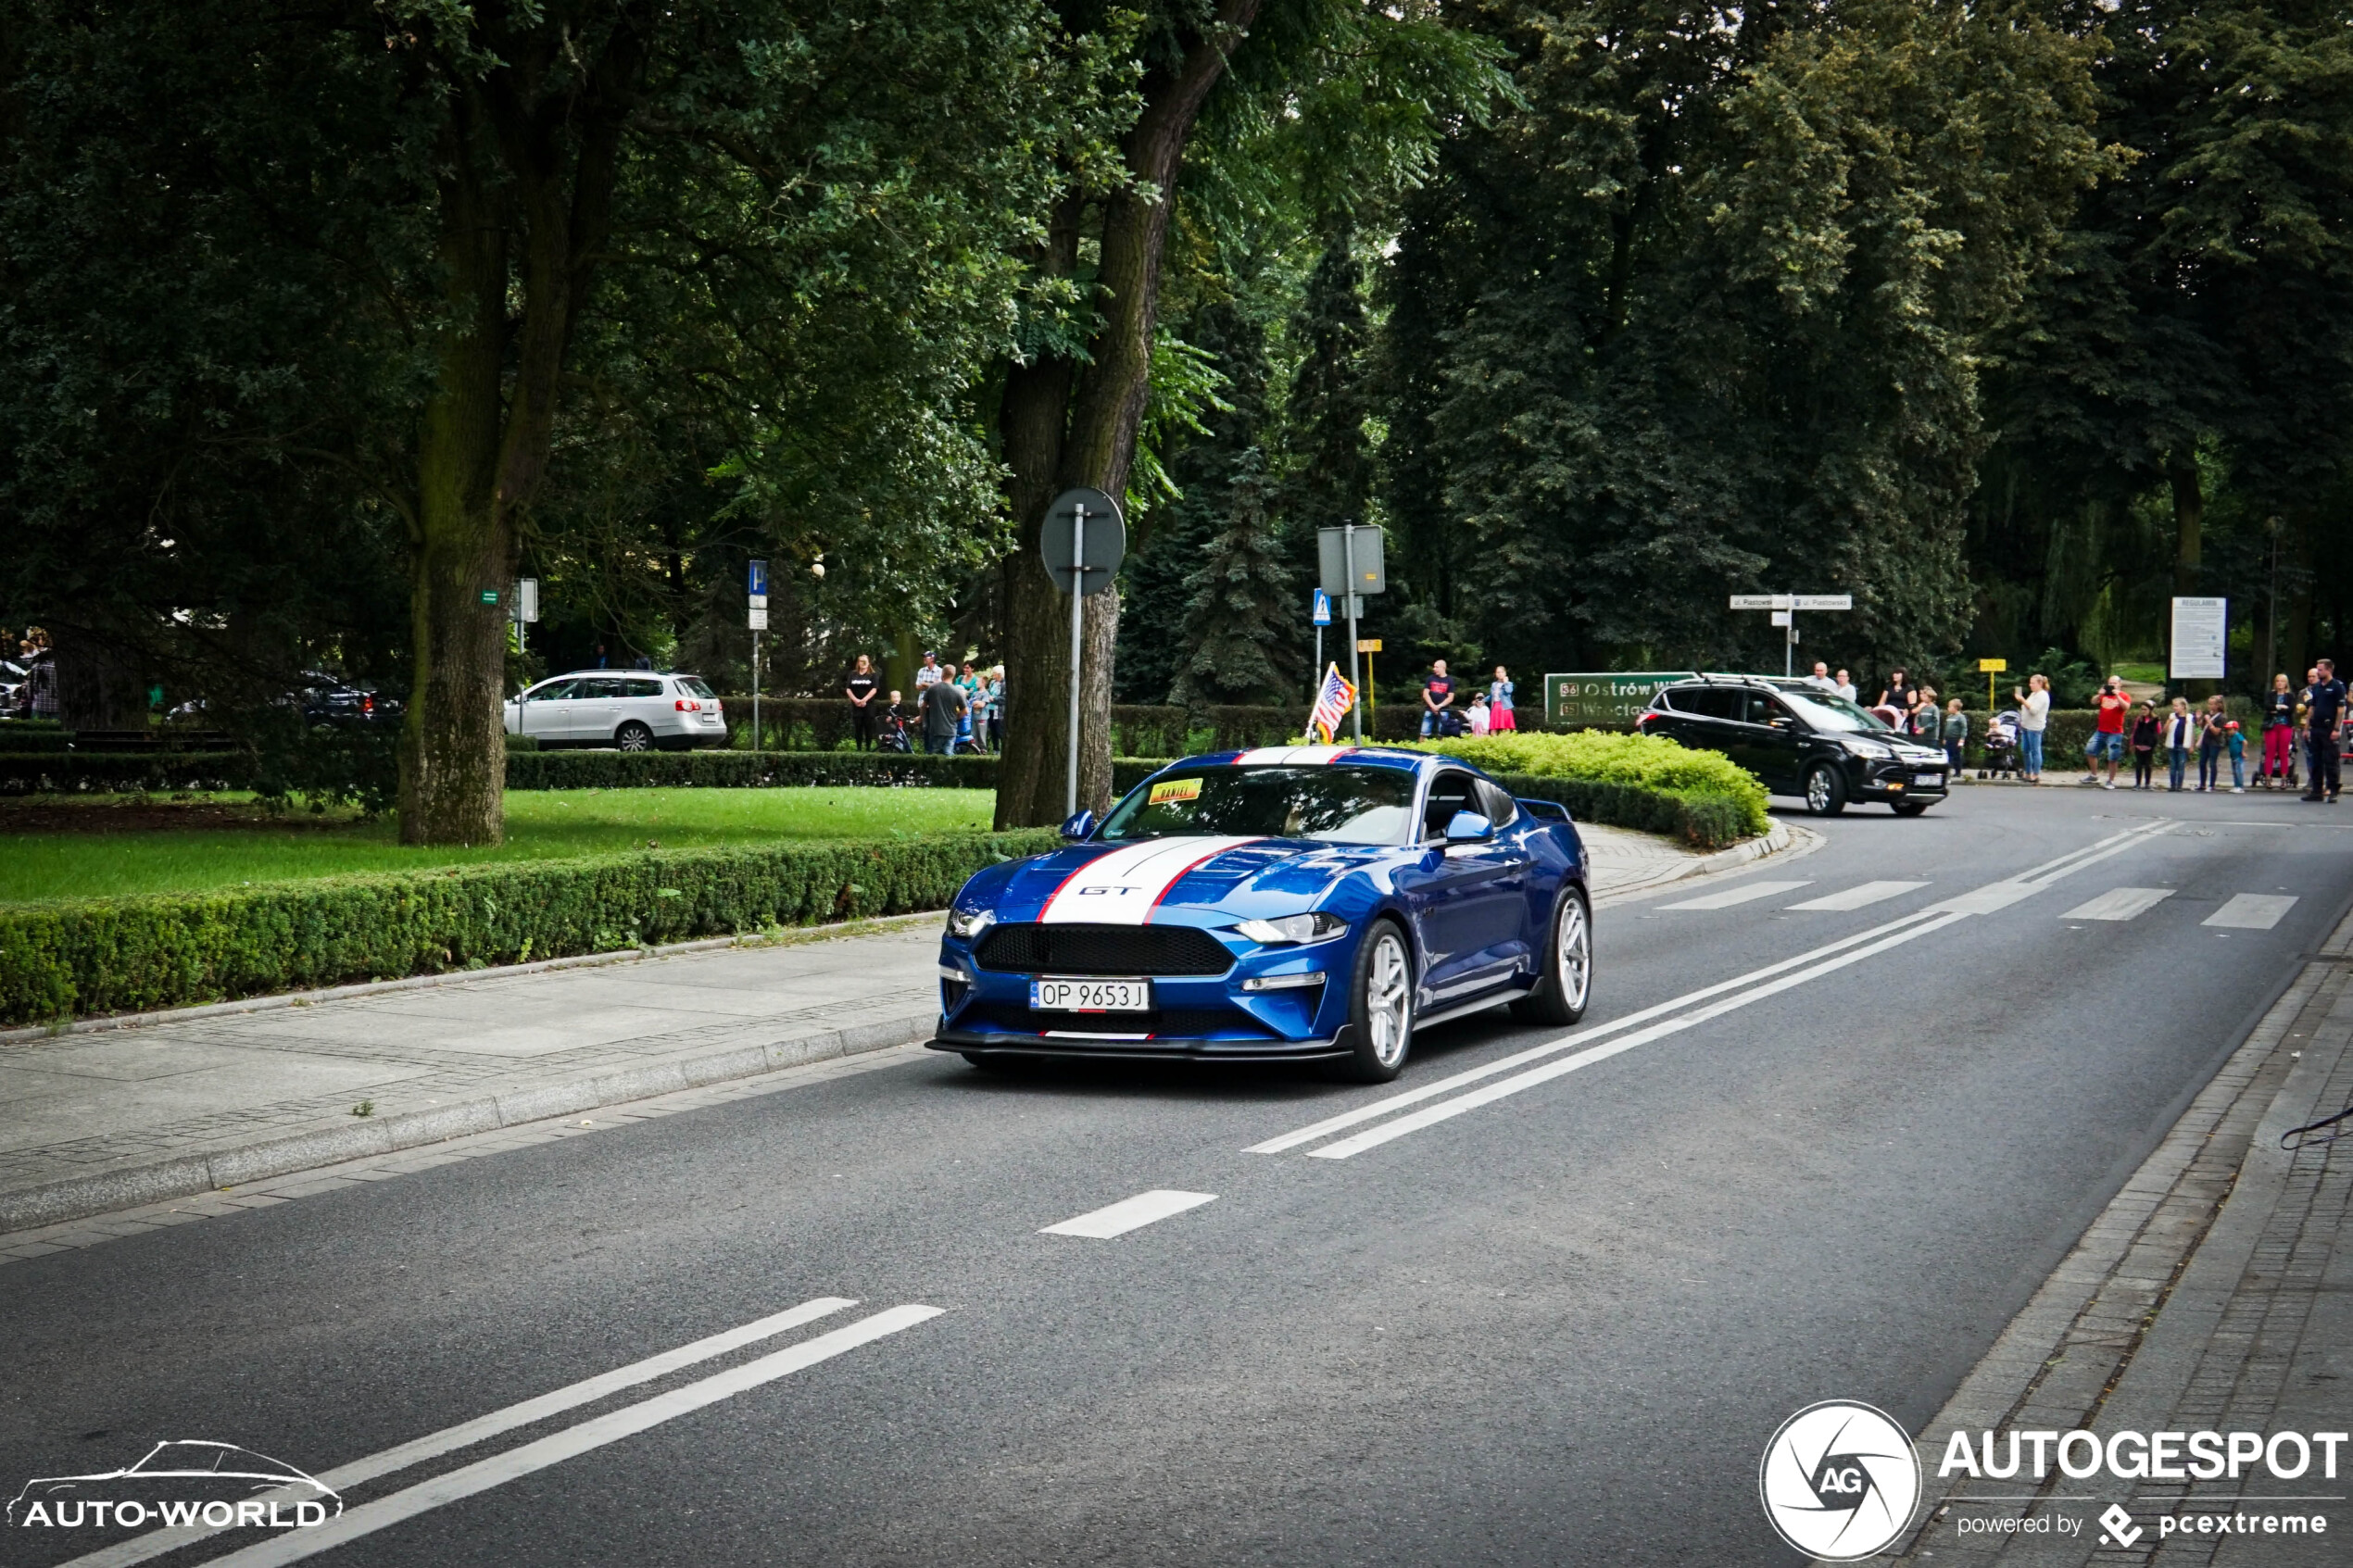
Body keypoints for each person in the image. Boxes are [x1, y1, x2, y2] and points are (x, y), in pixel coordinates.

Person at [2304, 657, 2344, 803]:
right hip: (2316, 728)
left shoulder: (2337, 686)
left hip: (2329, 728)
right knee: (2316, 760)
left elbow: (2340, 709)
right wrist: (2307, 728)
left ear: (2329, 670)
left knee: (2330, 760)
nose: (2318, 672)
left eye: (2320, 670)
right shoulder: (2318, 687)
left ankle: (2333, 790)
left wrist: (2336, 728)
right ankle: (2316, 791)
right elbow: (2312, 708)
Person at [2081, 676, 2130, 789]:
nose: (2112, 685)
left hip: (2115, 732)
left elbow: (2126, 707)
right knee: (2090, 750)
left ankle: (2111, 780)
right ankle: (2093, 775)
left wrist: (2117, 695)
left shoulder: (2124, 695)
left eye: (2114, 683)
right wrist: (2099, 694)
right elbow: (2093, 701)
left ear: (2119, 684)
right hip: (2101, 730)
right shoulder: (2104, 695)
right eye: (2110, 683)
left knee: (2113, 756)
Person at [2260, 672, 2297, 789]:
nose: (2280, 683)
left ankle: (2284, 778)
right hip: (2271, 726)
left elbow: (2290, 709)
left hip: (2285, 726)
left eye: (2282, 681)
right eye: (2278, 681)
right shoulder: (2270, 694)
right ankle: (2268, 777)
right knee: (2269, 752)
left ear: (2286, 683)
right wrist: (2279, 707)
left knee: (2283, 753)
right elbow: (2267, 706)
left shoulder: (2290, 696)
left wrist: (2275, 710)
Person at [2014, 672, 2051, 784]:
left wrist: (2022, 700)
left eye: (2033, 683)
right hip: (2026, 726)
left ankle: (2036, 773)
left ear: (2040, 683)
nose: (2030, 685)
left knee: (2035, 750)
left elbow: (2034, 710)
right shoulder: (2033, 694)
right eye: (2030, 683)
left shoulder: (2042, 695)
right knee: (2025, 750)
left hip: (2035, 727)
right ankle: (2027, 772)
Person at [918, 674, 964, 756]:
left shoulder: (932, 688)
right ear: (953, 676)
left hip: (936, 729)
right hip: (951, 729)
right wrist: (956, 718)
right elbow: (965, 710)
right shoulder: (956, 691)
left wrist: (921, 718)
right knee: (948, 754)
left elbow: (923, 706)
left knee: (933, 755)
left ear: (942, 675)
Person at [845, 654, 881, 750]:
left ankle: (868, 748)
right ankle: (859, 748)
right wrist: (856, 700)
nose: (863, 663)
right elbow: (848, 689)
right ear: (858, 662)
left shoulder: (873, 675)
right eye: (861, 661)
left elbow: (874, 689)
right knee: (858, 727)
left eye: (865, 661)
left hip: (868, 706)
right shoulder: (853, 674)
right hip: (856, 706)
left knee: (868, 727)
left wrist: (864, 700)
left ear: (868, 663)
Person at [2196, 694, 2228, 792]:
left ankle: (2212, 784)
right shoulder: (2209, 714)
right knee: (2202, 762)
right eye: (2209, 704)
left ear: (2218, 705)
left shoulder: (2221, 717)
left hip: (2215, 742)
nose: (2210, 706)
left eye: (2212, 704)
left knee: (2212, 763)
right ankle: (2202, 784)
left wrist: (2209, 721)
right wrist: (2199, 720)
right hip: (2206, 740)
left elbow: (2216, 732)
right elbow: (2203, 728)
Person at [2163, 696, 2196, 792]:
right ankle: (2173, 785)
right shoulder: (2172, 716)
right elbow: (2165, 730)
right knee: (2172, 765)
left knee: (2181, 765)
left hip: (2183, 744)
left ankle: (2179, 785)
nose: (2174, 708)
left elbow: (2192, 732)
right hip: (2172, 744)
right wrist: (2169, 722)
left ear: (2183, 706)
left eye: (2176, 706)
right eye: (2174, 706)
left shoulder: (2189, 717)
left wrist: (2192, 745)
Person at [1419, 659, 1457, 738]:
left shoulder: (1450, 680)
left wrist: (1439, 706)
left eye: (1436, 667)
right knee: (1423, 733)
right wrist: (1433, 706)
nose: (1434, 669)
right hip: (1429, 709)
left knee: (1442, 734)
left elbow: (1451, 698)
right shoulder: (1430, 678)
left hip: (1443, 710)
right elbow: (1425, 694)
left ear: (1443, 668)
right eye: (1434, 667)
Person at [2129, 700, 2159, 789]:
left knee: (2148, 764)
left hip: (2149, 745)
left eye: (2145, 709)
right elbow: (2135, 731)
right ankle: (2138, 783)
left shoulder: (2155, 720)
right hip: (2139, 744)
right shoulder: (2139, 719)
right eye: (2142, 709)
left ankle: (2147, 783)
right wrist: (2132, 743)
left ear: (2150, 710)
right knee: (2139, 764)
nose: (2143, 711)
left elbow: (2158, 731)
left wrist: (2153, 740)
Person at [1941, 697, 1969, 772]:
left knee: (1956, 755)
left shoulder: (1960, 717)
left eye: (1950, 706)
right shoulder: (1949, 717)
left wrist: (1962, 739)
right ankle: (1948, 770)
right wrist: (1944, 738)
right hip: (1948, 739)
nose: (1948, 708)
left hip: (1956, 739)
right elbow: (1946, 728)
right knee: (1948, 755)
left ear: (1955, 708)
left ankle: (1958, 771)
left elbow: (1964, 728)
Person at [1489, 667, 1516, 732]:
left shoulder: (1509, 684)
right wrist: (1482, 700)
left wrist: (1505, 683)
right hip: (1495, 706)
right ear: (1495, 674)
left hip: (1505, 707)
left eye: (1502, 672)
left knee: (1505, 728)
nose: (1500, 674)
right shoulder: (1494, 684)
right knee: (1493, 728)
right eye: (1498, 672)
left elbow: (1509, 691)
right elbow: (1491, 696)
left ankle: (1504, 740)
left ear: (1505, 673)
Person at [2225, 719, 2247, 793]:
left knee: (2239, 772)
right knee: (2235, 772)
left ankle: (2240, 787)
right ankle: (2236, 786)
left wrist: (2243, 751)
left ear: (2235, 729)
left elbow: (2245, 742)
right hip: (2233, 757)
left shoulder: (2238, 735)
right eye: (2228, 730)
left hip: (2238, 756)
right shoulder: (2231, 737)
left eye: (2230, 729)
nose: (2228, 731)